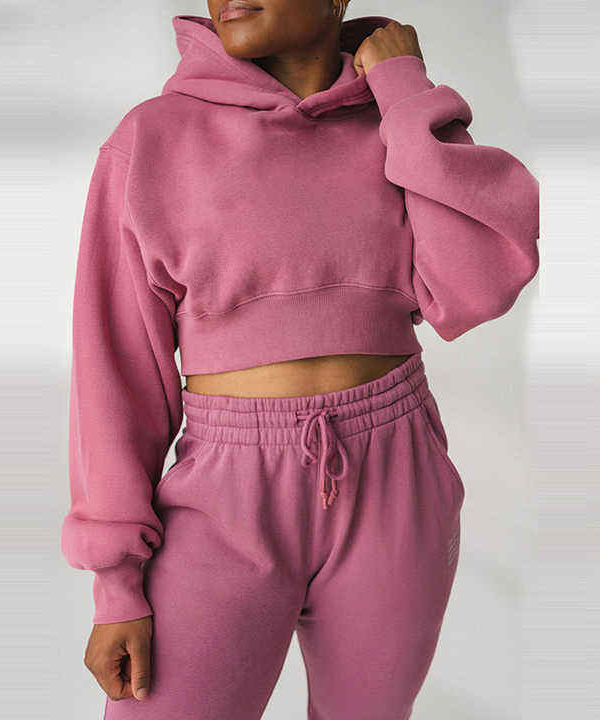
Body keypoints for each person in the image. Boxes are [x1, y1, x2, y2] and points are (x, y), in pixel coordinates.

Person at [60, 2, 539, 718]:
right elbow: (114, 371)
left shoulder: (397, 123)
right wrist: (116, 587)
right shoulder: (153, 137)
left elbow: (477, 286)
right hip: (222, 495)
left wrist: (405, 92)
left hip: (396, 474)